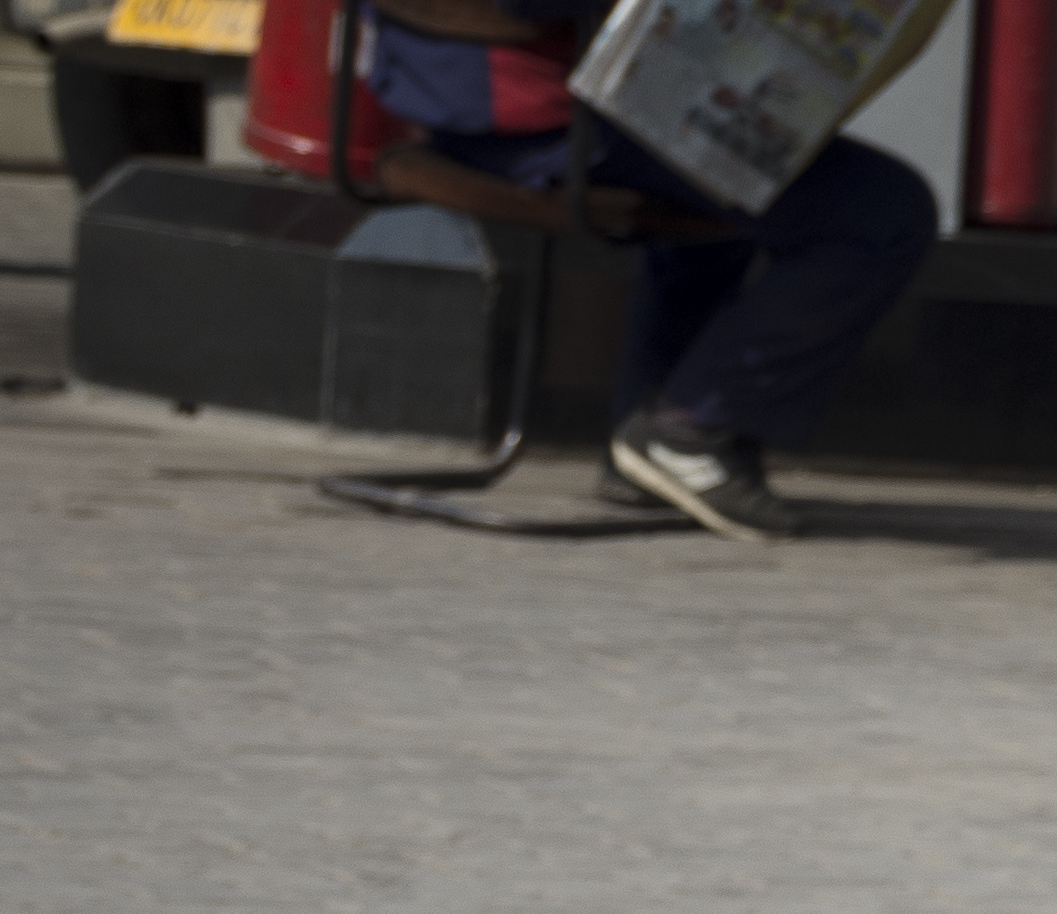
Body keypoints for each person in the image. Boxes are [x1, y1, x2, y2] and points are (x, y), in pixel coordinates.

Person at [353, 0, 940, 539]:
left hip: (465, 101)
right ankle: (690, 430)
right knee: (885, 211)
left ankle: (645, 445)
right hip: (552, 120)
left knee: (728, 180)